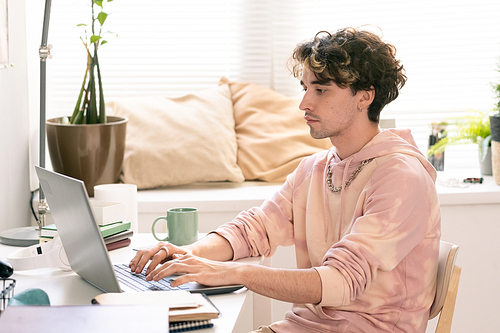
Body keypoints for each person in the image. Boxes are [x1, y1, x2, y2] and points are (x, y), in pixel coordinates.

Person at [129, 27, 441, 333]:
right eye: (305, 88)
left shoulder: (401, 177)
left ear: (365, 97)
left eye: (320, 90)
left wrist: (231, 272)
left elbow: (341, 282)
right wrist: (187, 254)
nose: (304, 103)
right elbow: (254, 229)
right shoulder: (315, 169)